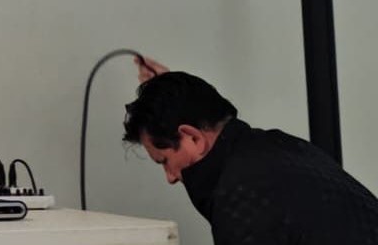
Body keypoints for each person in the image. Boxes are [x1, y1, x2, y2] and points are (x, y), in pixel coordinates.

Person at [123, 67, 378, 244]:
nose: (170, 177)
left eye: (164, 161)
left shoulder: (240, 192)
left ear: (192, 138)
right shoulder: (283, 148)